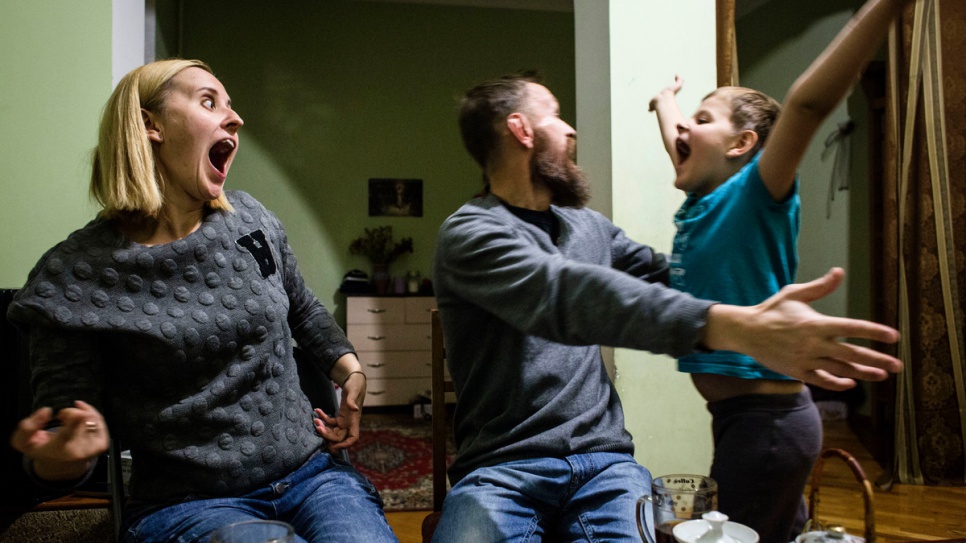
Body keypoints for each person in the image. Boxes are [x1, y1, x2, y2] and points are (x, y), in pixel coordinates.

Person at [429, 68, 902, 542]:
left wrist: (757, 299)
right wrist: (733, 326)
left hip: (604, 466)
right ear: (521, 130)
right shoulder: (471, 234)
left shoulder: (588, 227)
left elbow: (675, 276)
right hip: (502, 469)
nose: (571, 130)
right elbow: (568, 294)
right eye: (555, 115)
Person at [7, 59, 397, 543]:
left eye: (230, 105)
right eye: (209, 102)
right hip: (187, 504)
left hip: (313, 476)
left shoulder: (252, 220)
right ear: (150, 126)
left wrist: (351, 372)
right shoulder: (71, 277)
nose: (233, 118)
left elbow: (304, 311)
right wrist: (61, 456)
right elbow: (62, 433)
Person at [647, 1, 912, 540]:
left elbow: (809, 104)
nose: (682, 133)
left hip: (767, 425)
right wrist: (666, 102)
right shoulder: (703, 200)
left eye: (702, 120)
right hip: (744, 422)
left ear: (743, 144)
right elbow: (680, 149)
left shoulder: (756, 195)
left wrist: (884, 9)